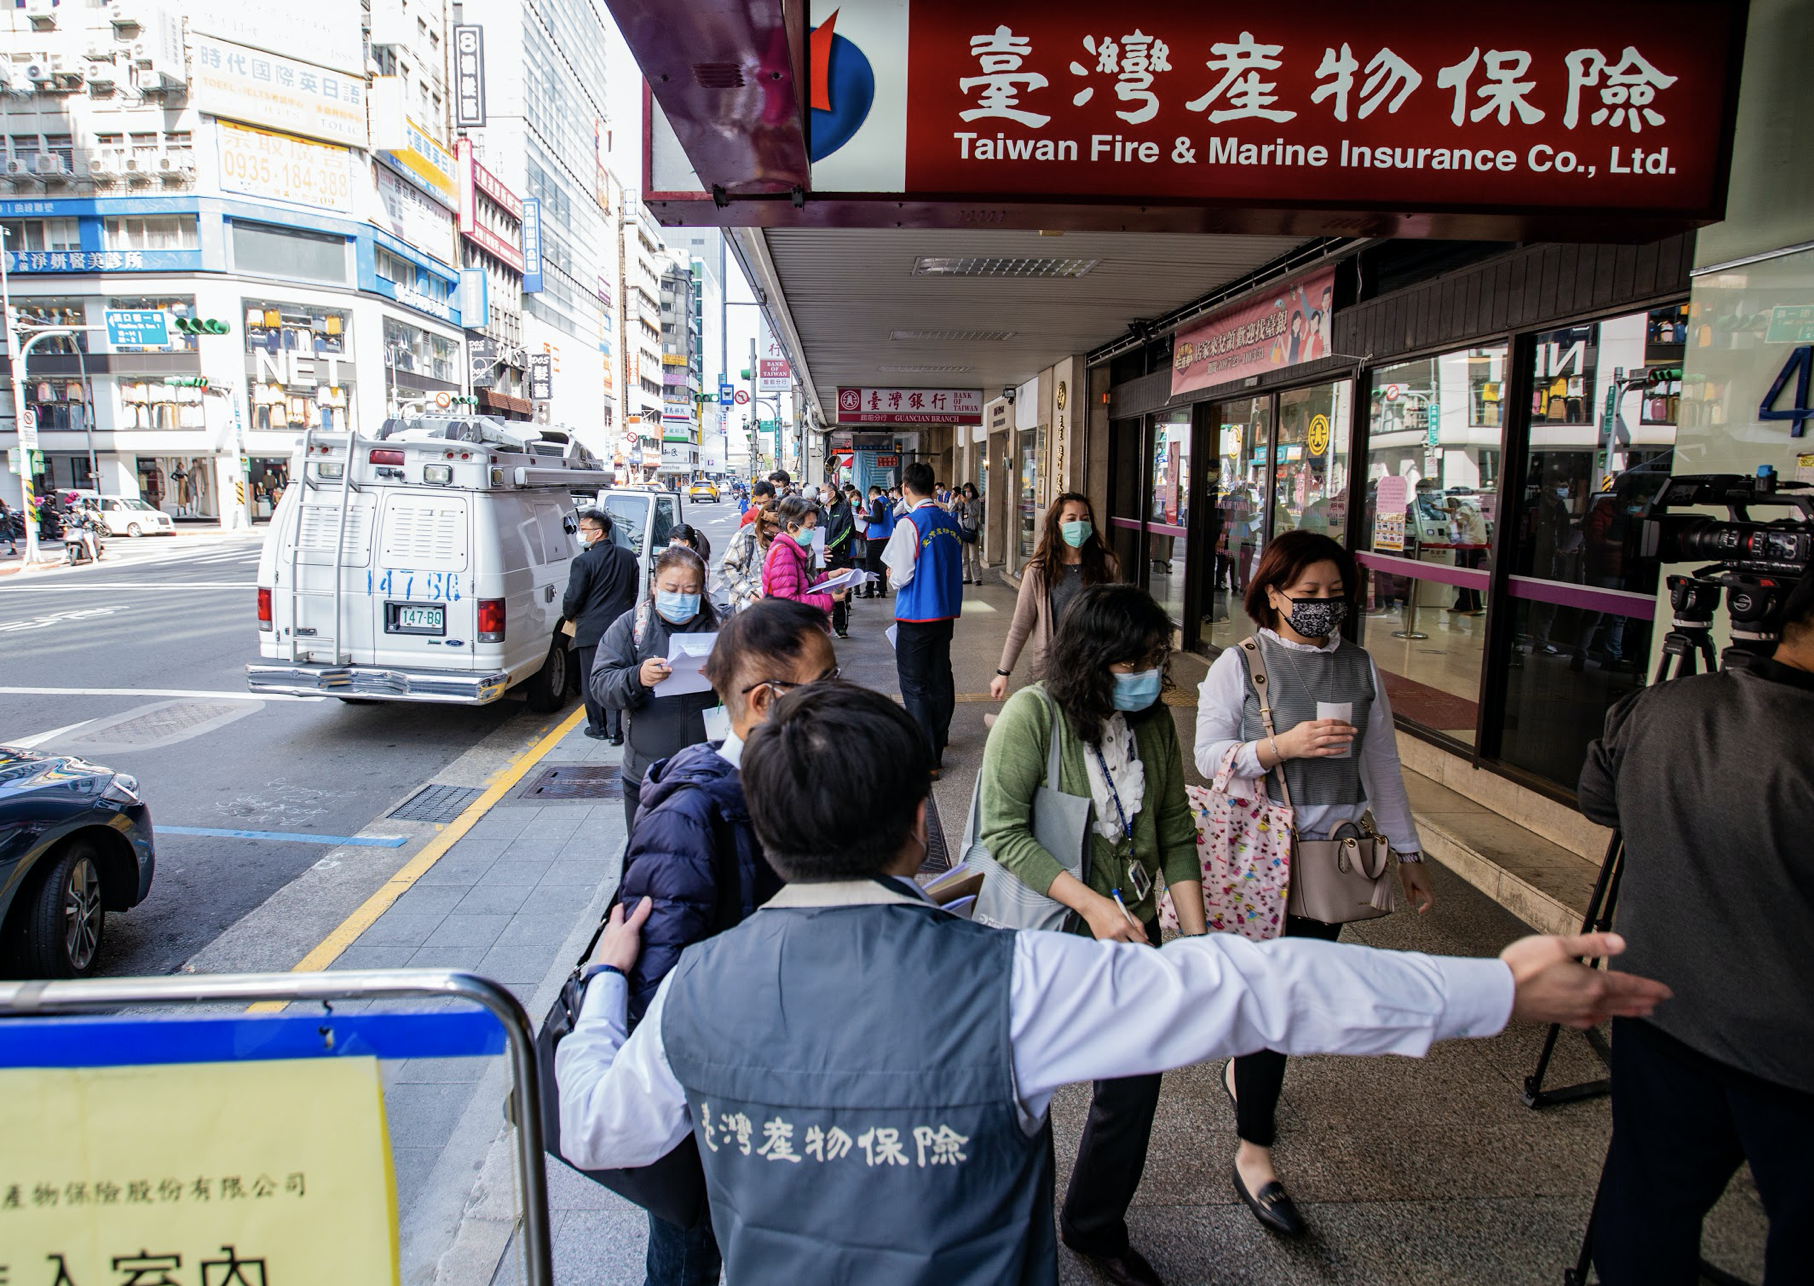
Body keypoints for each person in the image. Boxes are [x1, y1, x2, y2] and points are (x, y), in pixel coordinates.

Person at [556, 681, 1668, 1286]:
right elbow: (1257, 985)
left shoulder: (694, 990)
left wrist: (609, 984)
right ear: (916, 825)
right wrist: (1496, 989)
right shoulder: (1020, 980)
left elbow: (600, 1123)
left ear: (766, 831)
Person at [1191, 528, 1433, 1238]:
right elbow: (1209, 755)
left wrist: (1408, 852)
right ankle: (1254, 1155)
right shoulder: (1241, 664)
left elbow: (1381, 765)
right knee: (1277, 1002)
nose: (1324, 605)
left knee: (1287, 999)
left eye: (1335, 593)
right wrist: (1278, 747)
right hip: (1262, 857)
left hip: (1333, 862)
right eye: (1308, 593)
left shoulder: (1359, 666)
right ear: (1273, 594)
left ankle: (1245, 1071)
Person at [1576, 569, 1814, 1286]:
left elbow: (1599, 801)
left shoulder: (1660, 705)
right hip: (1790, 1052)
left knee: (1645, 1206)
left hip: (1654, 1008)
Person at [978, 584, 1208, 1284]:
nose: (1147, 675)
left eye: (1155, 660)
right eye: (1130, 663)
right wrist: (1091, 906)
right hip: (1048, 933)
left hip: (1133, 933)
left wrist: (1198, 942)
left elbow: (1175, 829)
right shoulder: (1032, 715)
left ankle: (1095, 1223)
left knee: (1133, 1086)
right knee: (1025, 1089)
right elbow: (1002, 832)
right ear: (1088, 657)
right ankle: (1012, 1231)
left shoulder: (1153, 724)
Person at [613, 598, 837, 1285]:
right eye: (824, 685)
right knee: (689, 1256)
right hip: (712, 1106)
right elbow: (661, 990)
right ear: (764, 700)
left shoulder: (796, 778)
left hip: (778, 1078)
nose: (839, 699)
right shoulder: (690, 812)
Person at [593, 546, 723, 832]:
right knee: (648, 850)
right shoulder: (631, 627)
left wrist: (726, 677)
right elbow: (601, 685)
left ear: (702, 591)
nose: (681, 597)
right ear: (654, 585)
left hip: (707, 772)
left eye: (690, 590)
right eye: (671, 589)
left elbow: (757, 687)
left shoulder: (722, 628)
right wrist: (637, 677)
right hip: (646, 774)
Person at [991, 492, 1121, 702]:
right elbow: (1021, 625)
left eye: (1084, 518)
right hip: (1054, 670)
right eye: (1071, 519)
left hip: (1096, 667)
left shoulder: (1107, 565)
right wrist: (1003, 672)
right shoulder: (1038, 570)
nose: (1079, 524)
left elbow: (1118, 619)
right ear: (1057, 524)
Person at [884, 462, 963, 777]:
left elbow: (901, 576)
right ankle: (939, 739)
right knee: (940, 678)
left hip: (916, 615)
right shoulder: (951, 522)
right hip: (945, 613)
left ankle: (928, 758)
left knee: (915, 685)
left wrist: (891, 575)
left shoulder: (909, 524)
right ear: (933, 487)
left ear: (905, 488)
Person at [563, 509, 640, 743]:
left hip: (591, 631)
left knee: (593, 679)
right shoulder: (627, 557)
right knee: (616, 677)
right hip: (621, 629)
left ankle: (598, 727)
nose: (580, 534)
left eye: (583, 529)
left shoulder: (582, 562)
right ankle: (616, 731)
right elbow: (634, 592)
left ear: (598, 533)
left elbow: (573, 598)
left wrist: (568, 614)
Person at [761, 496, 844, 624]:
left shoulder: (791, 548)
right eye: (809, 527)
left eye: (814, 527)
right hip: (787, 626)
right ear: (791, 527)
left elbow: (801, 587)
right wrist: (829, 599)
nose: (812, 531)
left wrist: (827, 577)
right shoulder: (784, 553)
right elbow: (788, 603)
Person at [721, 507, 780, 614]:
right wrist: (749, 592)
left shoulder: (786, 538)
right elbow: (725, 569)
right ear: (765, 523)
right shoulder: (747, 535)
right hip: (748, 605)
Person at [823, 485, 858, 638]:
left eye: (823, 492)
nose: (821, 495)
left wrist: (830, 546)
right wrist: (819, 549)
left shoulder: (844, 510)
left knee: (839, 591)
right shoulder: (818, 511)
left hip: (839, 557)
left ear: (832, 493)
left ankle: (840, 626)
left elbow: (847, 532)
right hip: (821, 558)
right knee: (820, 592)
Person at [862, 485, 893, 598]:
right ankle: (881, 589)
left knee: (870, 564)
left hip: (875, 537)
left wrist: (863, 517)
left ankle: (869, 590)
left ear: (872, 494)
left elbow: (877, 518)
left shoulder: (876, 502)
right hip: (886, 535)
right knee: (881, 564)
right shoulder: (887, 501)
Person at [952, 483, 983, 584]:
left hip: (972, 531)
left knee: (974, 556)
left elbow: (974, 513)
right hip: (962, 531)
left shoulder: (976, 502)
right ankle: (966, 577)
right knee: (964, 556)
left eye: (969, 491)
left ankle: (977, 578)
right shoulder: (960, 502)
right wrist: (955, 501)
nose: (967, 493)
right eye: (965, 491)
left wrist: (967, 502)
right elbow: (951, 509)